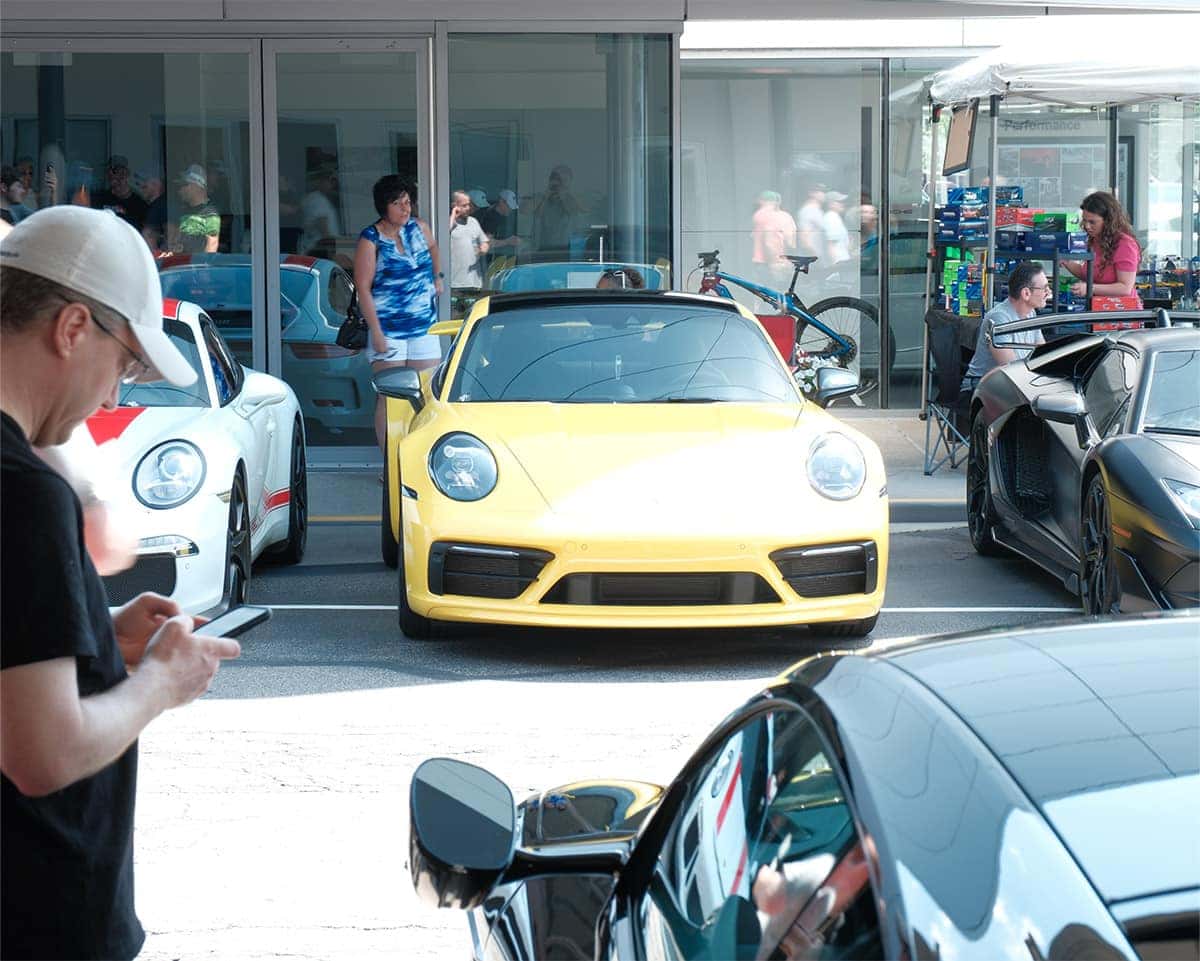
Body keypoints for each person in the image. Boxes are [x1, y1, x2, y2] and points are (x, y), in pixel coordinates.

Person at [1, 205, 241, 961]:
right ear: (72, 328)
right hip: (38, 915)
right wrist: (162, 682)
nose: (113, 396)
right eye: (125, 364)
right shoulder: (24, 489)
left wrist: (97, 630)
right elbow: (40, 754)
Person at [354, 175, 443, 452]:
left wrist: (437, 277)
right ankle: (390, 463)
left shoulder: (419, 228)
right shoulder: (371, 239)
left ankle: (419, 456)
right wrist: (377, 333)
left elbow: (434, 249)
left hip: (423, 326)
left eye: (408, 202)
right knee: (392, 399)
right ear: (384, 207)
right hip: (388, 330)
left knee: (427, 393)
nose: (406, 209)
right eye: (398, 203)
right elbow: (363, 288)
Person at [959, 261, 1049, 403]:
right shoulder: (999, 318)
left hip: (1010, 387)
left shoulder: (1031, 313)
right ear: (1026, 293)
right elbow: (1011, 369)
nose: (1048, 293)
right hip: (980, 389)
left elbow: (1043, 356)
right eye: (1044, 288)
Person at [1061, 191, 1141, 300]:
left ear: (1108, 221)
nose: (1087, 226)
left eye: (1092, 222)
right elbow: (1088, 274)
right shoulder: (1094, 240)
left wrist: (1090, 288)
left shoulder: (1125, 244)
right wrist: (1066, 261)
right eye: (1084, 221)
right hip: (1098, 309)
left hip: (1121, 311)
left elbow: (1125, 288)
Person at [530, 164, 584, 262]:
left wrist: (562, 194)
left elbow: (573, 212)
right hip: (542, 249)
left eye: (563, 180)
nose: (560, 183)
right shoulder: (542, 197)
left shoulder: (572, 199)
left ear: (570, 182)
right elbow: (536, 215)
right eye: (557, 179)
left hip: (565, 249)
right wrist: (547, 194)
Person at [750, 189, 797, 290]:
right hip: (776, 261)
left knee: (761, 294)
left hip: (760, 261)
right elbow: (776, 242)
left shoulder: (757, 215)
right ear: (777, 202)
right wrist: (776, 262)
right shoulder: (780, 216)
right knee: (778, 295)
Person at [170, 163, 220, 254]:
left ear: (195, 186)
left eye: (184, 185)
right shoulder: (184, 212)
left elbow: (212, 244)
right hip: (183, 265)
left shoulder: (210, 213)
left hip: (198, 265)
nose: (180, 190)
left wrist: (204, 266)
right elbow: (176, 242)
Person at [93, 154, 148, 233]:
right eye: (109, 172)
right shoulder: (100, 197)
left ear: (126, 174)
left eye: (116, 171)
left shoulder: (140, 204)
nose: (113, 177)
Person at [448, 189, 489, 289]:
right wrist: (453, 215)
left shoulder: (473, 221)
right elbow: (441, 235)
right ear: (454, 206)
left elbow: (485, 241)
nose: (468, 208)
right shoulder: (449, 223)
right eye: (464, 205)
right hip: (454, 282)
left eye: (469, 205)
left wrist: (484, 248)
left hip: (475, 282)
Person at [298, 163, 342, 258]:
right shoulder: (316, 199)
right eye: (329, 180)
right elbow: (323, 226)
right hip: (319, 251)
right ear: (320, 181)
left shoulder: (318, 198)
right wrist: (331, 251)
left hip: (318, 250)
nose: (332, 184)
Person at [479, 188, 521, 260]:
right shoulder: (491, 217)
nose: (511, 209)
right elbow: (487, 242)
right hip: (486, 259)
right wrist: (508, 242)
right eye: (509, 206)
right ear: (501, 202)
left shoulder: (500, 215)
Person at [140, 172, 168, 255]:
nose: (142, 188)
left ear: (156, 185)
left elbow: (148, 234)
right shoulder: (164, 204)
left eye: (145, 186)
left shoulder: (158, 206)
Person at [821, 190, 851, 267]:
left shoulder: (835, 217)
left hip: (842, 262)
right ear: (830, 204)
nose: (843, 204)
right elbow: (830, 245)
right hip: (838, 263)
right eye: (839, 202)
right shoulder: (831, 218)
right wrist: (835, 266)